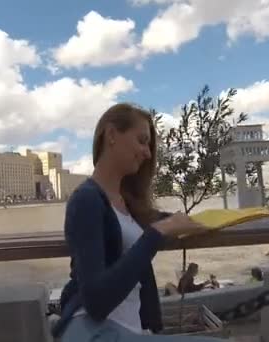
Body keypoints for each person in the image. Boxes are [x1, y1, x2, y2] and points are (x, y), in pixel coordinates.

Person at [53, 103, 218, 341]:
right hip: (97, 330)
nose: (148, 153)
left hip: (130, 330)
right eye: (142, 141)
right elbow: (96, 302)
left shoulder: (127, 204)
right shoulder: (86, 200)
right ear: (111, 135)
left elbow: (161, 223)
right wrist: (157, 233)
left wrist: (207, 222)